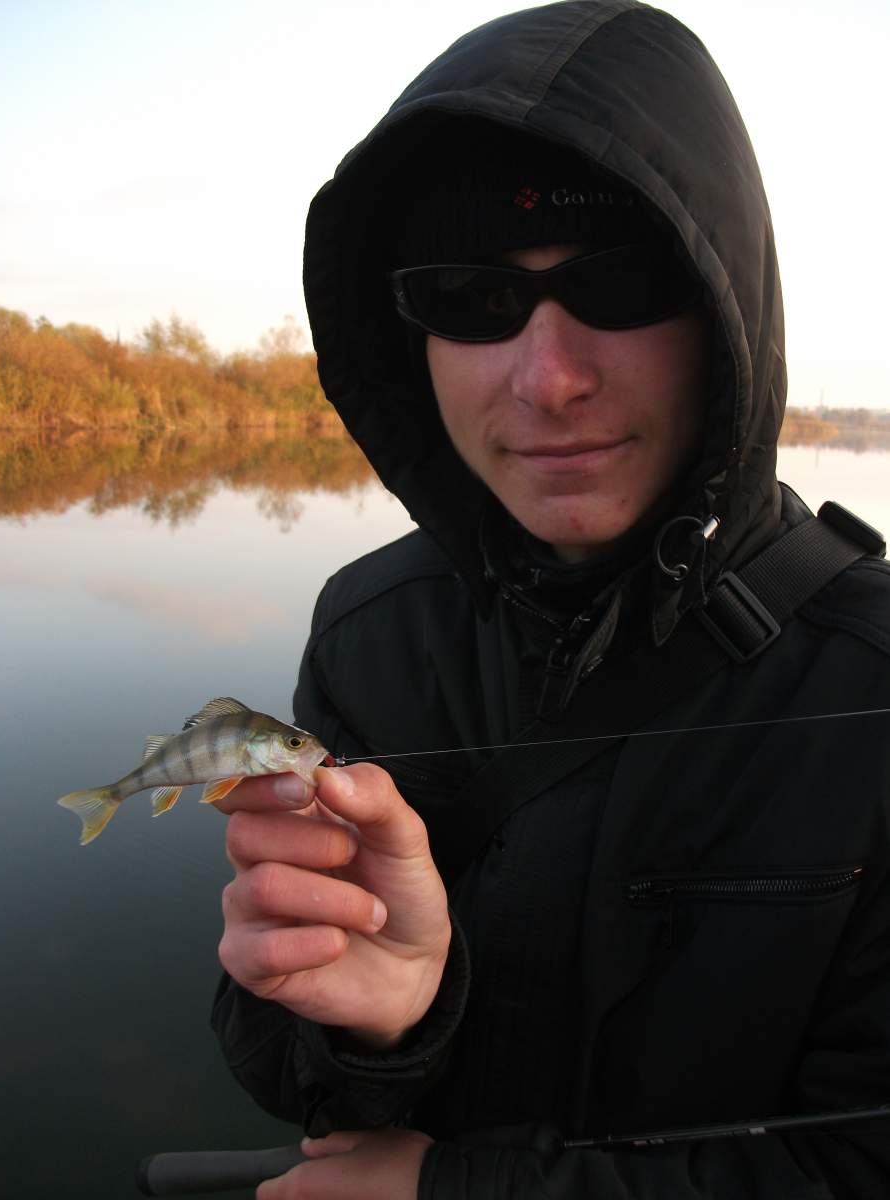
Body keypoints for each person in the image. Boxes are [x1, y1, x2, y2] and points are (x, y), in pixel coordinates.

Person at [211, 2, 890, 1196]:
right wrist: (375, 1029)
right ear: (408, 339)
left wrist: (454, 1191)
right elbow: (293, 1073)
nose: (550, 378)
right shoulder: (370, 632)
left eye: (620, 285)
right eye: (471, 299)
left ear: (726, 312)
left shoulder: (871, 671)